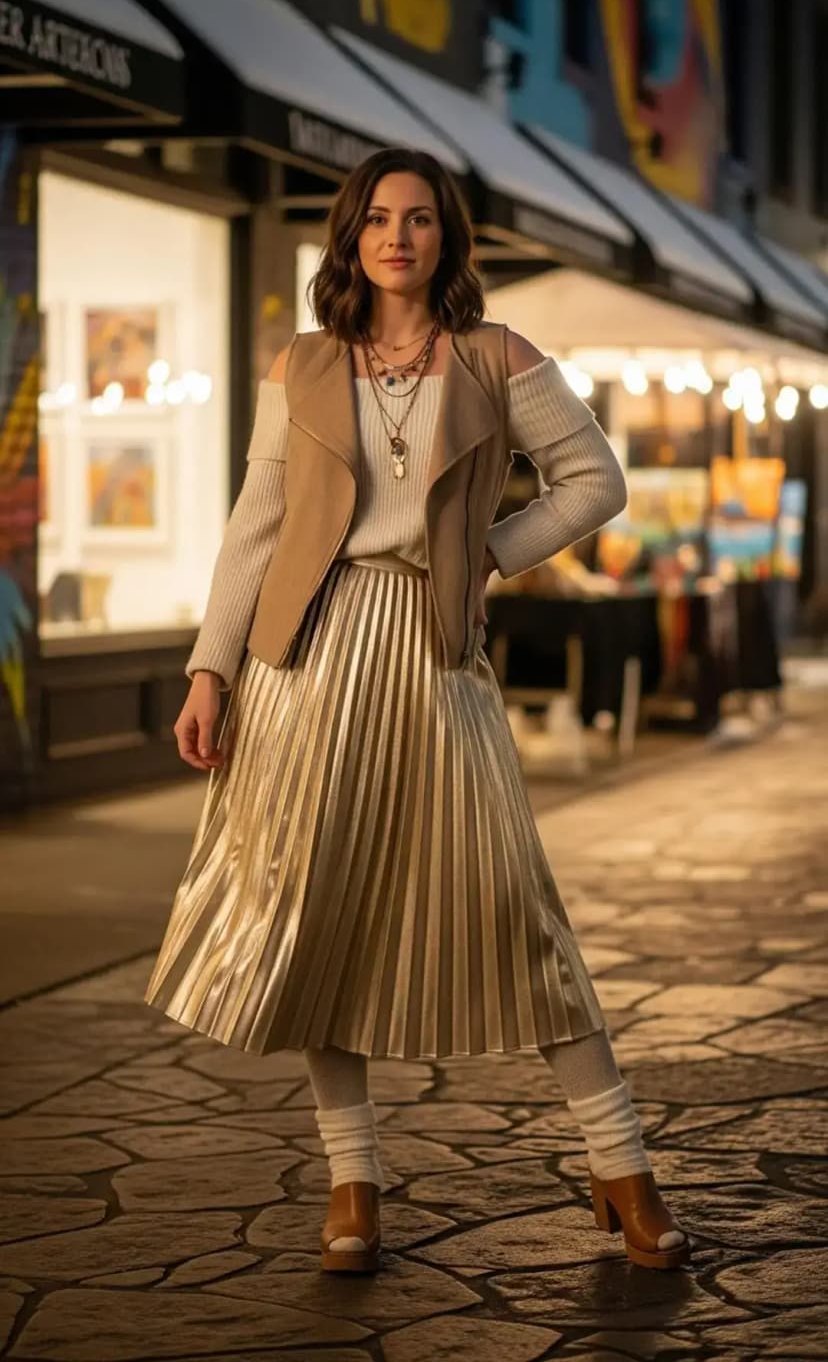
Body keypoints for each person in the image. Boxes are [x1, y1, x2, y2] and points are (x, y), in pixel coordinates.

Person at [145, 148, 689, 1275]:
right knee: (314, 917)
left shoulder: (498, 358)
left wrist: (487, 555)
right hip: (303, 668)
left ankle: (622, 1161)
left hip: (435, 658)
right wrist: (210, 671)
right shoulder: (299, 366)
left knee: (510, 903)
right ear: (349, 237)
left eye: (421, 219)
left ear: (447, 238)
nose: (399, 236)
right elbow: (255, 526)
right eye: (379, 218)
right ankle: (354, 1180)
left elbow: (596, 480)